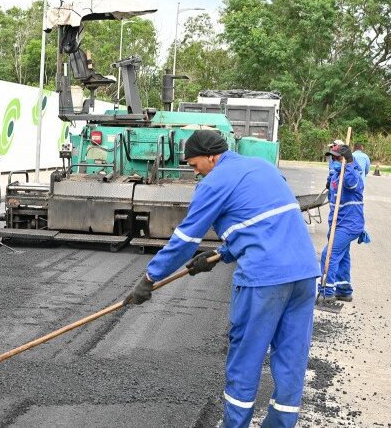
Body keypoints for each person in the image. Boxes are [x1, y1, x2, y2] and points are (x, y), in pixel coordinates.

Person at [129, 129, 320, 427]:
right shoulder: (262, 167)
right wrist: (221, 254)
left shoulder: (214, 183)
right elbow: (262, 221)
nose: (195, 173)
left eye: (194, 165)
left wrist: (150, 278)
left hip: (264, 279)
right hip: (305, 274)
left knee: (246, 358)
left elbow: (184, 240)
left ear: (211, 157)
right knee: (291, 358)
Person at [319, 145, 366, 302]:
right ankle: (344, 291)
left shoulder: (353, 175)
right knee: (343, 256)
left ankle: (326, 292)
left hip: (350, 224)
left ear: (346, 159)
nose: (333, 161)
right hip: (337, 223)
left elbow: (351, 184)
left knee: (328, 254)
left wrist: (350, 163)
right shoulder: (337, 175)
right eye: (332, 158)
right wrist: (330, 180)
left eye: (337, 158)